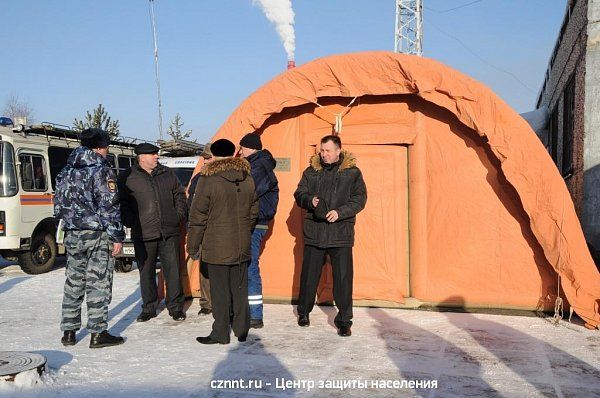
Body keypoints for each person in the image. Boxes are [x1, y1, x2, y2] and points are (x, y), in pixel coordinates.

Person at [54, 128, 125, 348]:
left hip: (72, 233)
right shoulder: (102, 170)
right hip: (96, 234)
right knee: (98, 282)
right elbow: (109, 206)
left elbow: (58, 205)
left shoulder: (65, 171)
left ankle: (68, 332)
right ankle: (98, 333)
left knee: (73, 282)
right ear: (101, 147)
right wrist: (116, 236)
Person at [293, 134, 367, 337]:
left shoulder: (352, 173)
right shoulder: (311, 171)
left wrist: (340, 212)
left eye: (327, 150)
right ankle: (303, 313)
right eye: (321, 150)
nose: (323, 154)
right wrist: (309, 200)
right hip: (315, 232)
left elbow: (360, 199)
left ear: (338, 151)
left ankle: (344, 320)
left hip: (340, 233)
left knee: (343, 279)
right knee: (309, 275)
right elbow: (299, 193)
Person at [187, 138, 258, 344]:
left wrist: (193, 245)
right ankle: (242, 329)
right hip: (241, 243)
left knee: (219, 292)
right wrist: (244, 230)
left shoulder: (208, 179)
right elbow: (254, 211)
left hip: (216, 245)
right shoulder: (247, 177)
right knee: (239, 289)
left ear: (215, 155)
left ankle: (220, 333)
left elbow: (197, 216)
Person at [118, 143, 188, 322]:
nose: (157, 157)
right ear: (142, 157)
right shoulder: (128, 176)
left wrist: (178, 215)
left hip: (168, 231)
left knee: (173, 271)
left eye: (157, 154)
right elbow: (122, 203)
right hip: (143, 233)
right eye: (153, 154)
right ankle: (149, 307)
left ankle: (175, 307)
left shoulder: (167, 173)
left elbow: (179, 195)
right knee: (146, 272)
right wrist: (131, 221)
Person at [238, 132, 279, 329]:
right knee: (246, 264)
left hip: (256, 222)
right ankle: (246, 310)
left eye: (242, 148)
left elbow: (247, 192)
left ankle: (255, 314)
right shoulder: (257, 163)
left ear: (250, 148)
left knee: (250, 265)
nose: (240, 152)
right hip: (251, 221)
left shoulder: (258, 166)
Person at [187, 142, 214, 316]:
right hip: (204, 230)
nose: (205, 161)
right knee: (205, 268)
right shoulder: (198, 178)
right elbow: (191, 203)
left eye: (208, 157)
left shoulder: (230, 176)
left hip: (220, 230)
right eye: (203, 158)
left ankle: (223, 302)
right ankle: (207, 303)